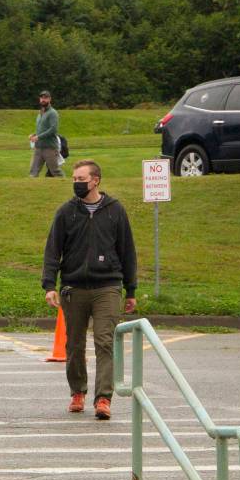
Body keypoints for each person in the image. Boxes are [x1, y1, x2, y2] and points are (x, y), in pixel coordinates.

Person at [42, 159, 137, 420]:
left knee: (105, 341)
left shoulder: (115, 210)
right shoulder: (66, 212)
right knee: (73, 344)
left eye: (81, 179)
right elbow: (53, 250)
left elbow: (127, 251)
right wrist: (50, 285)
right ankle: (77, 392)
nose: (76, 183)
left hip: (107, 286)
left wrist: (131, 290)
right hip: (74, 287)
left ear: (95, 180)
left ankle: (103, 398)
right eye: (74, 179)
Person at [29, 90, 63, 178]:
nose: (43, 100)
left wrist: (38, 137)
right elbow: (41, 129)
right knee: (33, 171)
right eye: (42, 98)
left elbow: (53, 129)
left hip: (50, 147)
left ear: (49, 99)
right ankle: (30, 189)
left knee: (55, 171)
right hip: (38, 147)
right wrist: (34, 135)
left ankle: (65, 184)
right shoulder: (40, 113)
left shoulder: (53, 113)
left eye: (45, 98)